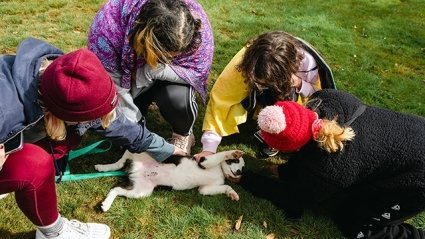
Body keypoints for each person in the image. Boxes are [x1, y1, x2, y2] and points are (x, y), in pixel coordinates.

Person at [0, 38, 184, 239]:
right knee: (35, 164)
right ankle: (55, 233)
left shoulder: (67, 77)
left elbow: (116, 125)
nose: (100, 120)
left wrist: (167, 150)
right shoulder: (5, 109)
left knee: (60, 145)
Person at [233, 89, 425, 239]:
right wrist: (285, 171)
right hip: (414, 133)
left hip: (417, 179)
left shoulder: (328, 168)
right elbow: (305, 147)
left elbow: (294, 198)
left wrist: (247, 179)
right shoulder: (325, 98)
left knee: (353, 222)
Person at [88, 0, 214, 155]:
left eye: (173, 56)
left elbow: (196, 71)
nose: (167, 59)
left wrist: (154, 70)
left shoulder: (192, 26)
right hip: (128, 78)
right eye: (162, 56)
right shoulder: (107, 28)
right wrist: (136, 134)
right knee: (126, 122)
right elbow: (112, 84)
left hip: (167, 78)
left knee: (177, 100)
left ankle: (183, 134)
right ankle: (138, 127)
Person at [194, 31, 334, 160]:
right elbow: (222, 99)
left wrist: (299, 84)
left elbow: (320, 97)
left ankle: (276, 136)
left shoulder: (308, 65)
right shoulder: (250, 60)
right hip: (264, 94)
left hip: (293, 96)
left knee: (288, 96)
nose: (262, 85)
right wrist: (209, 149)